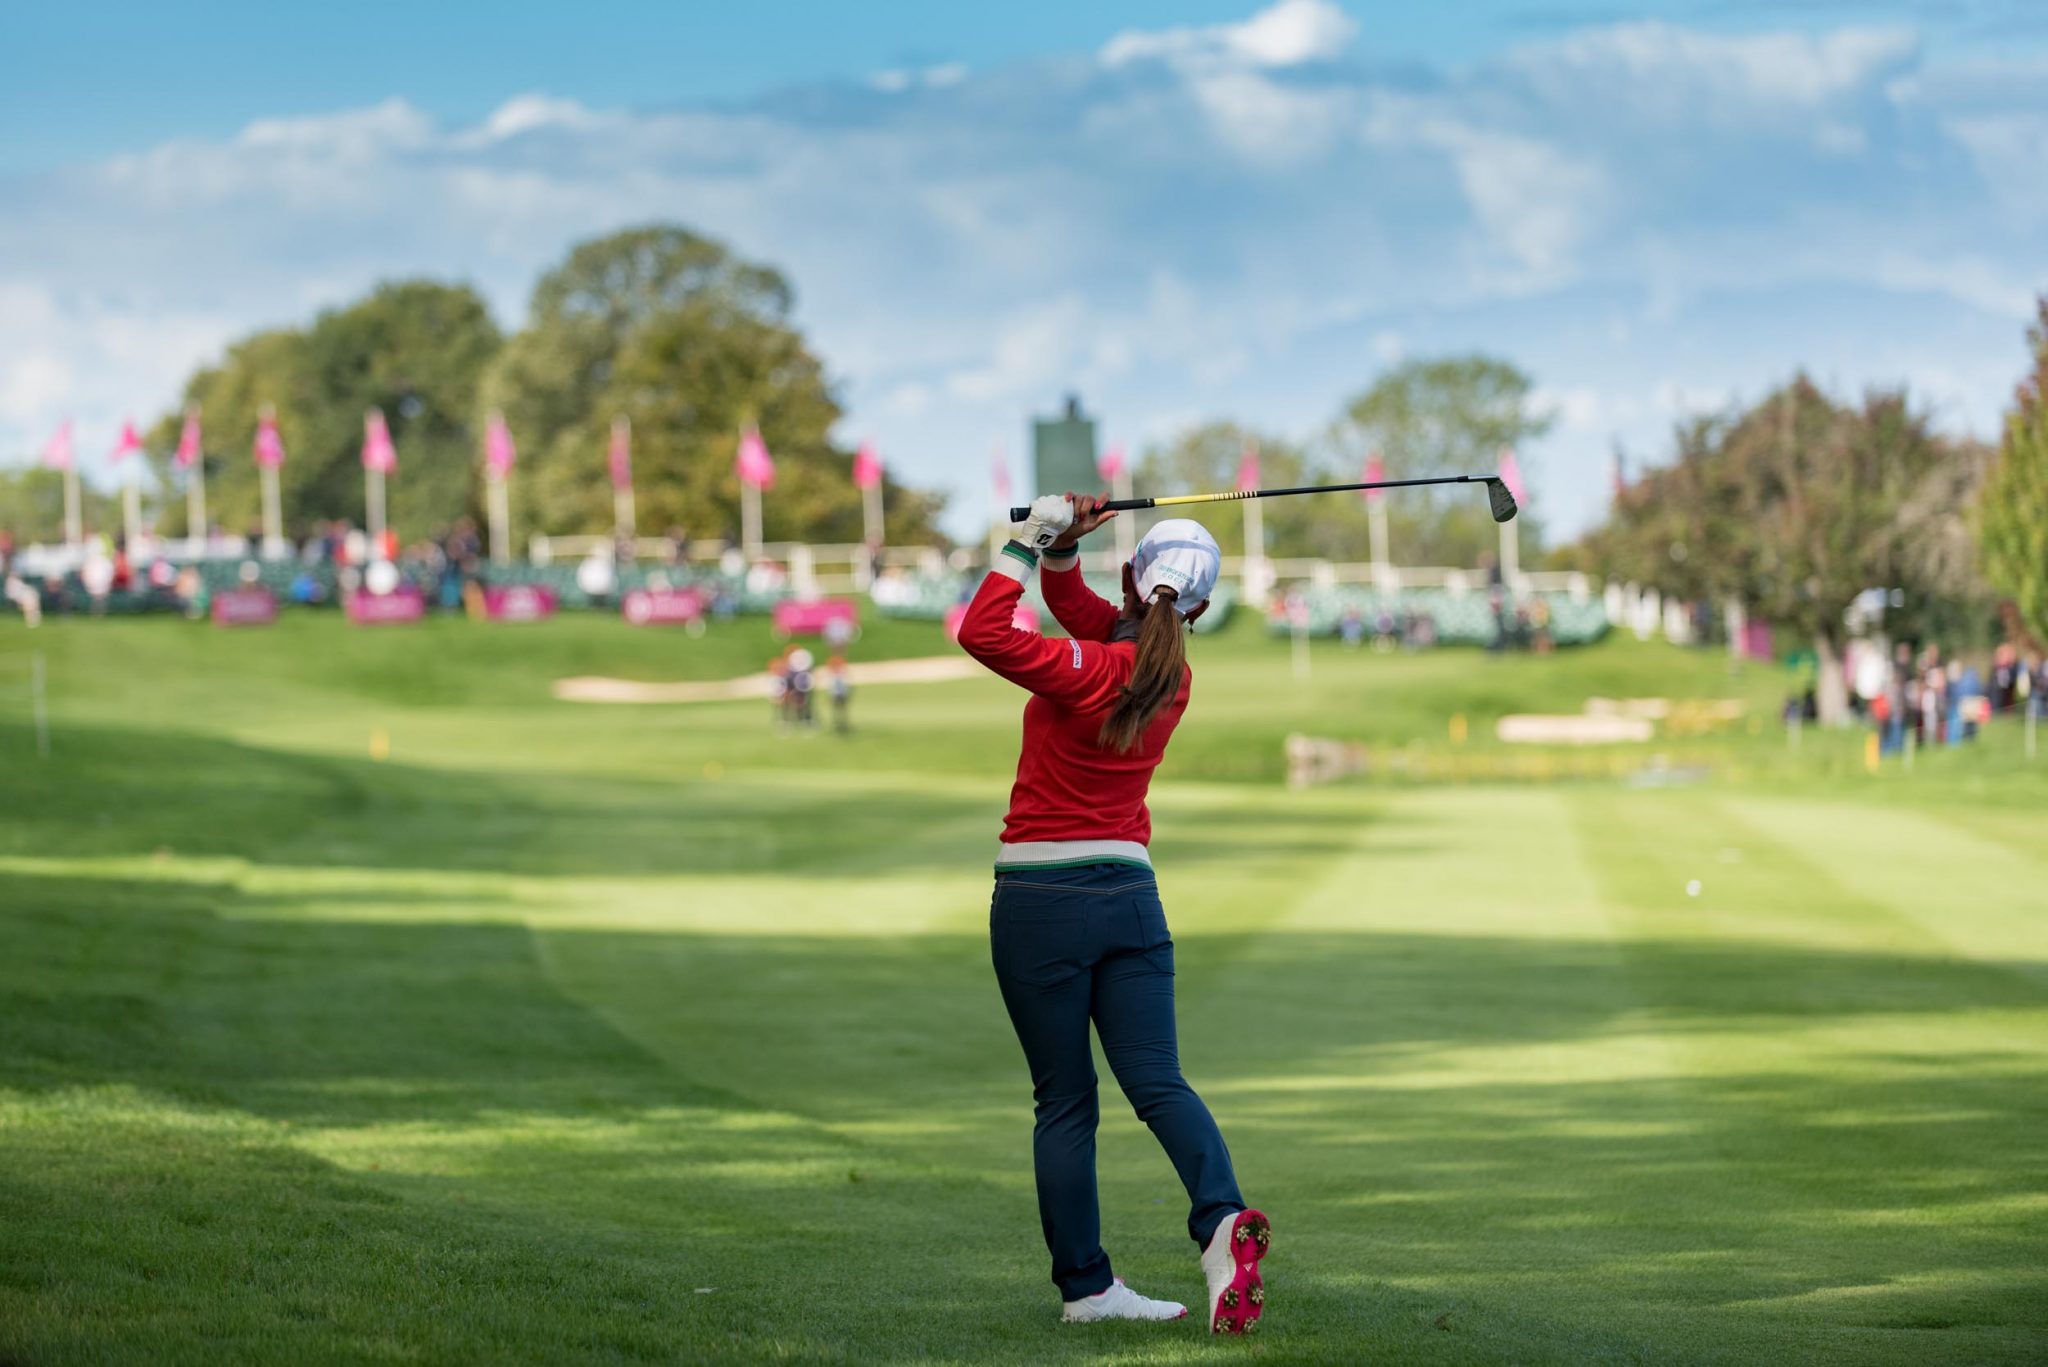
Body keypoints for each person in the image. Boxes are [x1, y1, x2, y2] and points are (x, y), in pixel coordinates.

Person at [956, 492, 1269, 1335]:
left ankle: (1089, 1287)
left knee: (1064, 1101)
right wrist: (1063, 552)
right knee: (1158, 1080)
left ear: (1134, 581)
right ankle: (1219, 1221)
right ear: (1199, 606)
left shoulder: (1092, 669)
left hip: (1041, 901)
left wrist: (1025, 542)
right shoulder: (1172, 674)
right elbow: (1087, 612)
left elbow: (981, 631)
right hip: (1130, 897)